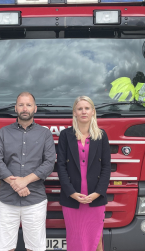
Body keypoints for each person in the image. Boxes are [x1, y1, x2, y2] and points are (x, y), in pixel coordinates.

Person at [0, 92, 56, 251]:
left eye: (28, 105)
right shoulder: (3, 133)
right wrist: (15, 184)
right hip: (7, 200)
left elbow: (49, 163)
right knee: (5, 247)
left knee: (35, 247)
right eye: (21, 105)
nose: (24, 108)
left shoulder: (45, 134)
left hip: (35, 199)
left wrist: (24, 181)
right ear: (15, 108)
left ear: (35, 108)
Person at [57, 96, 111, 251]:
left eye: (87, 108)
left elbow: (106, 167)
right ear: (74, 112)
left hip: (95, 197)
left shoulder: (101, 135)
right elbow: (61, 166)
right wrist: (71, 193)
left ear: (93, 112)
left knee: (97, 239)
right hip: (73, 198)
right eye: (80, 109)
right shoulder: (65, 136)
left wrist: (98, 193)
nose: (83, 112)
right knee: (75, 238)